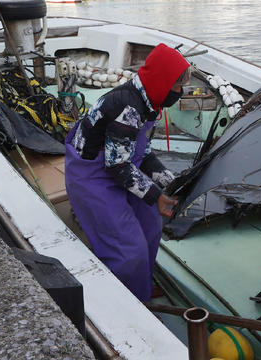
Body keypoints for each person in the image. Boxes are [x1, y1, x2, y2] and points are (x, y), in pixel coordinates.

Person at [64, 43, 190, 302]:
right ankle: (128, 303)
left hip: (122, 165)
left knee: (152, 226)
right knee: (128, 249)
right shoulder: (128, 107)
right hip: (93, 174)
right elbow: (116, 166)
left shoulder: (150, 101)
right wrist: (157, 196)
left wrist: (174, 183)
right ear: (163, 82)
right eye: (177, 85)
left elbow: (141, 154)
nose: (181, 91)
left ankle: (140, 282)